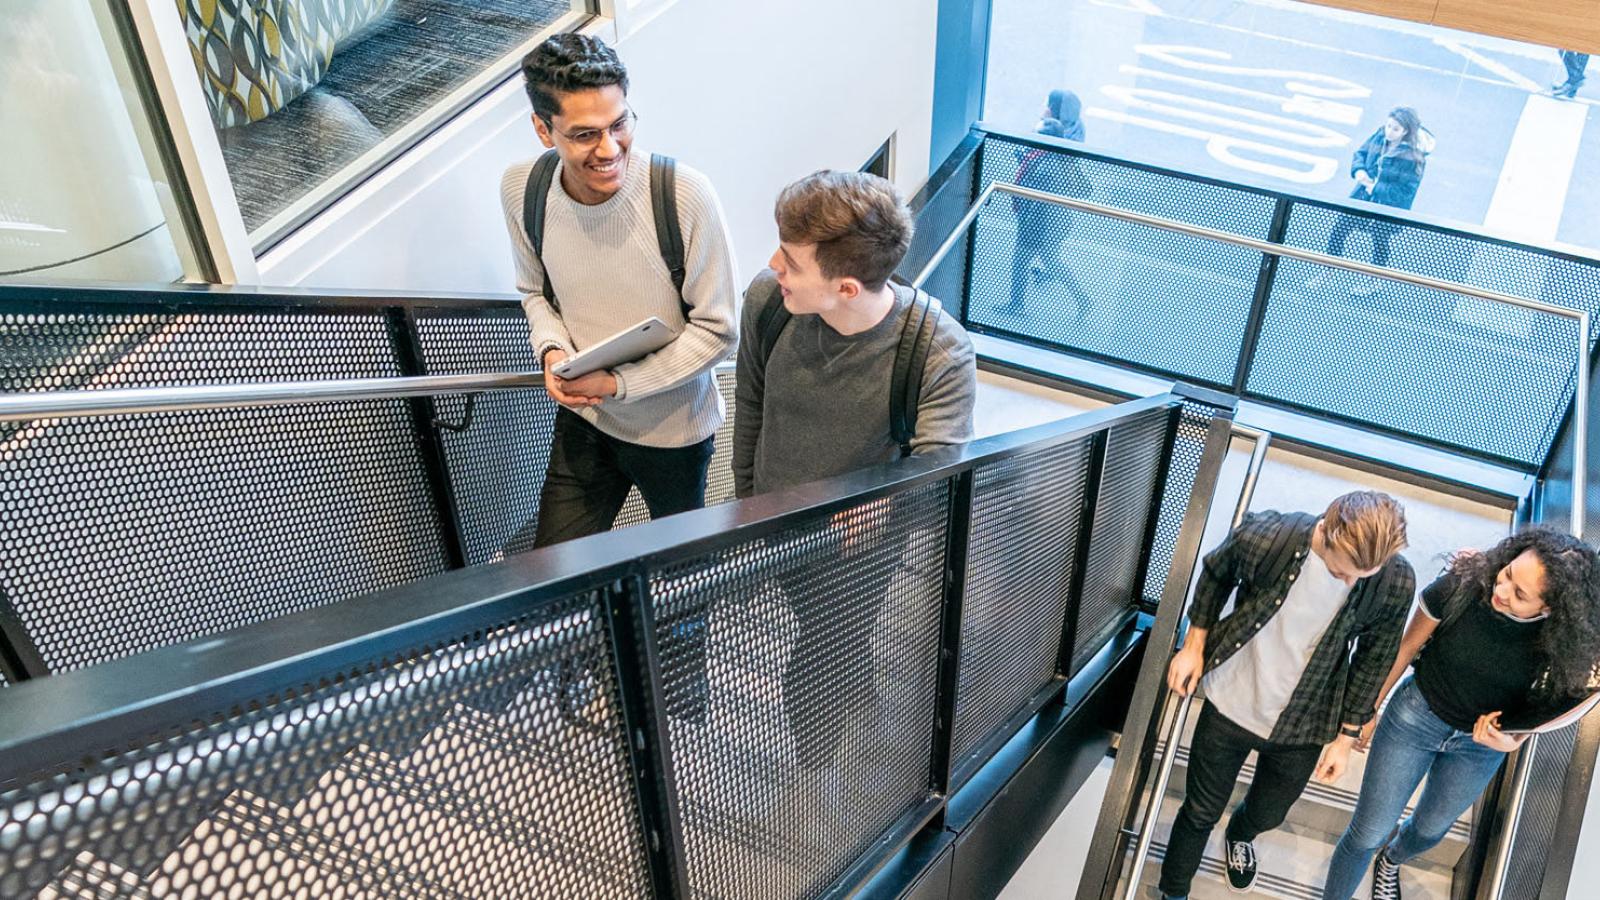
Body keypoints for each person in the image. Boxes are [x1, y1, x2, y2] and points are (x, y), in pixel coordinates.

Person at [498, 34, 738, 722]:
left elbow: (720, 329)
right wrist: (550, 353)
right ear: (543, 129)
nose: (610, 149)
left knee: (678, 568)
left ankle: (677, 687)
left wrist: (622, 385)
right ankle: (592, 667)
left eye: (620, 123)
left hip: (673, 430)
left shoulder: (683, 195)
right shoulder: (524, 187)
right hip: (582, 417)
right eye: (584, 134)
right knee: (558, 565)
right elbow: (532, 289)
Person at [734, 170, 977, 767]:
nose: (773, 265)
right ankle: (853, 675)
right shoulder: (770, 302)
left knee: (822, 654)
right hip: (773, 517)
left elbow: (940, 468)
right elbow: (750, 405)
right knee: (822, 631)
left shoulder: (938, 351)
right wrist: (745, 502)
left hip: (856, 548)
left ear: (845, 287)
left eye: (790, 260)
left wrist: (889, 502)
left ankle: (817, 770)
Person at [1158, 492, 1415, 900]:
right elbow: (1215, 573)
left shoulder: (1393, 580)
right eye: (1342, 572)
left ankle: (1241, 833)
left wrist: (1346, 738)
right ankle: (1173, 892)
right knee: (1199, 811)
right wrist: (1193, 645)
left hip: (1306, 721)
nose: (1352, 582)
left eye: (1364, 574)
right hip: (1232, 701)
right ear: (1327, 532)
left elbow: (1376, 655)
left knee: (1269, 811)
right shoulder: (1268, 535)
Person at [1322, 528, 1600, 900]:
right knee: (1368, 831)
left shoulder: (1562, 648)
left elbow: (1544, 713)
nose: (1500, 592)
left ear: (1549, 609)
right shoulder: (1461, 586)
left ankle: (1391, 859)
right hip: (1415, 717)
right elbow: (1406, 649)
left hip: (1478, 747)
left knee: (1430, 830)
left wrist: (1509, 742)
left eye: (1520, 595)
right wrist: (1369, 710)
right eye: (1507, 574)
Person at [1312, 108, 1432, 297]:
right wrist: (1359, 170)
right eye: (1388, 125)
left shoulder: (1413, 157)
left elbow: (1406, 192)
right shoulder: (1380, 135)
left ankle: (1375, 279)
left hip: (1388, 207)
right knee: (1340, 229)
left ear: (1406, 131)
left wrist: (1375, 187)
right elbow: (1360, 153)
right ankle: (1328, 270)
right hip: (1364, 196)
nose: (1388, 131)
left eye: (1395, 129)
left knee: (1380, 240)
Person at [1008, 90, 1091, 315]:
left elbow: (1038, 191)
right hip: (1055, 220)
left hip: (1042, 221)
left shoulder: (1048, 158)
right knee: (1048, 259)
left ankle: (1017, 305)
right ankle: (1082, 300)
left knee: (1024, 258)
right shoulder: (1068, 136)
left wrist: (1026, 216)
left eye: (1048, 104)